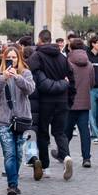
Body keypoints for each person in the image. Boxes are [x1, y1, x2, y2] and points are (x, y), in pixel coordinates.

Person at [26, 28, 75, 180]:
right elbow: (71, 81)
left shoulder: (36, 56)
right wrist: (70, 99)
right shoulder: (62, 57)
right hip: (62, 101)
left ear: (40, 40)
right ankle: (66, 156)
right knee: (60, 132)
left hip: (44, 101)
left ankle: (46, 167)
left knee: (43, 134)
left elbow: (35, 81)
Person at [0, 44, 35, 195]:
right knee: (9, 154)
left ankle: (13, 180)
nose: (11, 60)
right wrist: (4, 78)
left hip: (22, 118)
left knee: (19, 154)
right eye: (8, 58)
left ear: (19, 59)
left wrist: (17, 77)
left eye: (14, 57)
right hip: (4, 119)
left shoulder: (25, 73)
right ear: (4, 59)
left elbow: (30, 89)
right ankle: (12, 185)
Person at [64, 37, 94, 167]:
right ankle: (86, 158)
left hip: (69, 102)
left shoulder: (67, 62)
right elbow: (92, 83)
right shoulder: (90, 64)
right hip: (84, 101)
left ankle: (64, 154)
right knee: (85, 132)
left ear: (70, 48)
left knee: (66, 131)